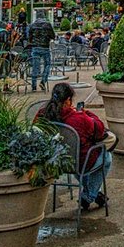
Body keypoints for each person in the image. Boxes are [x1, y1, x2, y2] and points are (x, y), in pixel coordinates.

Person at [36, 83, 111, 211]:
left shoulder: (42, 114)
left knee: (81, 156)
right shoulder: (79, 118)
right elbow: (99, 129)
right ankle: (88, 196)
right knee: (106, 157)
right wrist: (87, 113)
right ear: (68, 100)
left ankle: (92, 192)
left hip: (56, 161)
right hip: (78, 162)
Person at [27, 12, 55, 92]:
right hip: (45, 47)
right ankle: (43, 80)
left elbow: (29, 37)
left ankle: (34, 85)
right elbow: (53, 36)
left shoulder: (32, 25)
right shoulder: (47, 25)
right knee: (47, 64)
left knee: (35, 66)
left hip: (35, 47)